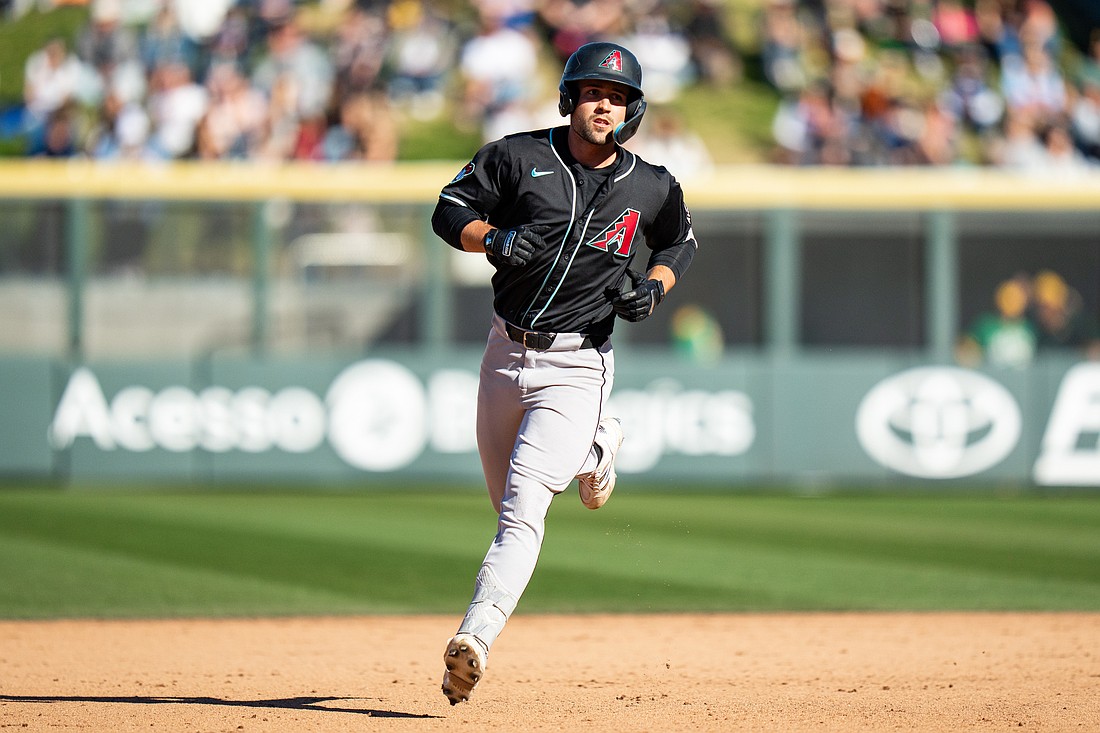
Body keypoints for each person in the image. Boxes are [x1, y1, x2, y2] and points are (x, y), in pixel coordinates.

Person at [430, 40, 698, 705]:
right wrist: (490, 238)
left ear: (631, 109)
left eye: (617, 97)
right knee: (505, 503)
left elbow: (680, 241)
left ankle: (475, 638)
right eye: (592, 93)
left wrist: (656, 287)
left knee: (521, 514)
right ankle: (598, 449)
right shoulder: (516, 157)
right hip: (504, 352)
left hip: (578, 362)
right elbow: (448, 211)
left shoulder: (651, 183)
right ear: (570, 98)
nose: (604, 105)